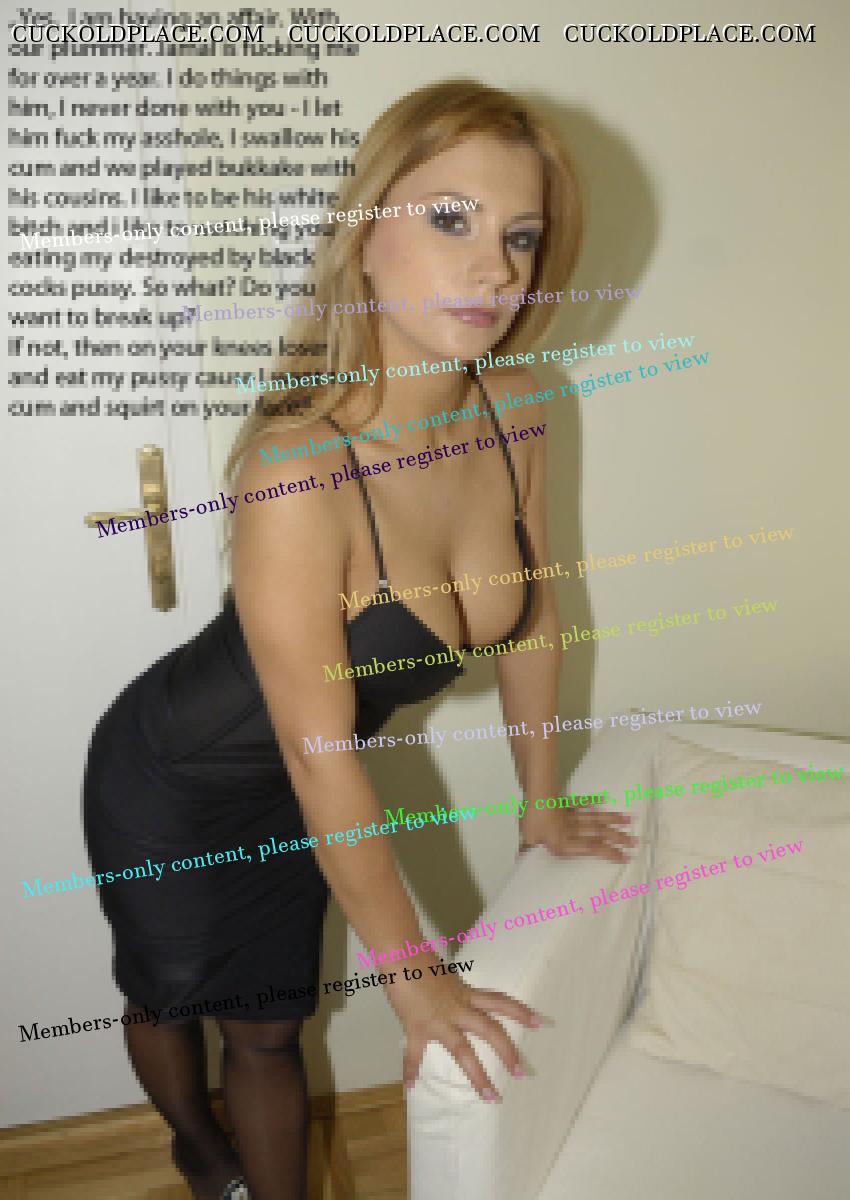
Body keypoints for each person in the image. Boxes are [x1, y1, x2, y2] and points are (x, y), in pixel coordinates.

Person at [83, 79, 635, 1200]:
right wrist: (412, 974)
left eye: (519, 236)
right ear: (362, 238)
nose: (495, 268)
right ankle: (197, 1147)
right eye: (451, 219)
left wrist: (539, 801)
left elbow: (538, 614)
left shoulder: (518, 404)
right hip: (179, 776)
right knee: (172, 992)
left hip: (310, 774)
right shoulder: (298, 469)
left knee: (270, 1026)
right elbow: (317, 750)